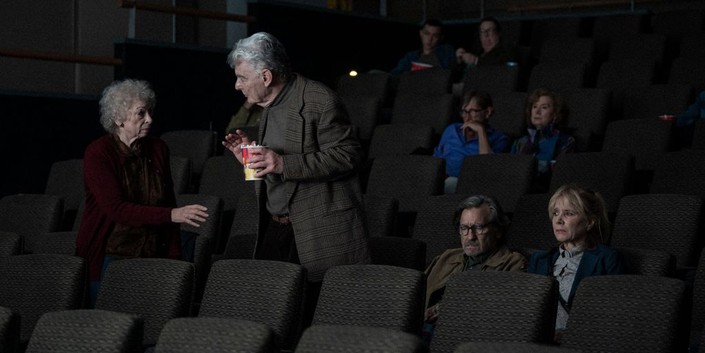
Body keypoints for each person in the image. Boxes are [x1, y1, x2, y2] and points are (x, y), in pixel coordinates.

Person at [221, 32, 371, 324]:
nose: (236, 85)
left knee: (311, 321)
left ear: (266, 76)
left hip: (316, 229)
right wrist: (249, 161)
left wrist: (280, 162)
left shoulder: (319, 100)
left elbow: (349, 155)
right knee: (266, 318)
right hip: (276, 228)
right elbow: (274, 172)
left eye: (241, 77)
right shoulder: (267, 108)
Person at [76, 79, 210, 308]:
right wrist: (172, 215)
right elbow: (116, 210)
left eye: (150, 111)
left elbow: (168, 201)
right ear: (118, 118)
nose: (149, 119)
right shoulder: (98, 153)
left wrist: (174, 260)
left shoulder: (158, 149)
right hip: (111, 253)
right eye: (141, 113)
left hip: (153, 251)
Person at [528, 183, 625, 343]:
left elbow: (613, 314)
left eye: (569, 213)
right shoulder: (539, 259)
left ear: (589, 222)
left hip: (583, 342)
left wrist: (569, 335)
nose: (558, 220)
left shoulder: (607, 258)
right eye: (556, 213)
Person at [423, 194, 527, 343]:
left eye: (478, 228)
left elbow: (498, 315)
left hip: (465, 339)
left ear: (497, 231)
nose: (470, 236)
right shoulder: (446, 257)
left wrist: (444, 309)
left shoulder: (513, 263)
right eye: (464, 228)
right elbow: (414, 295)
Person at [433, 90, 509, 193]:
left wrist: (481, 131)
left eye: (473, 111)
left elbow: (488, 167)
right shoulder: (451, 130)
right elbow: (436, 159)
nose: (467, 117)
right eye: (464, 111)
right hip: (442, 180)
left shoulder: (499, 138)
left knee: (451, 183)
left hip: (472, 186)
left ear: (487, 112)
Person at [511, 88, 575, 191]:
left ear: (555, 114)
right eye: (534, 106)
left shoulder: (565, 141)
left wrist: (528, 166)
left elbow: (559, 171)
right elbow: (510, 170)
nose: (537, 111)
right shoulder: (520, 142)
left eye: (544, 107)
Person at [390, 19, 457, 76]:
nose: (430, 39)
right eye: (427, 34)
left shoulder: (446, 52)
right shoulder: (411, 56)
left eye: (435, 36)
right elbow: (395, 74)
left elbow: (453, 71)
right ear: (421, 34)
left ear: (440, 38)